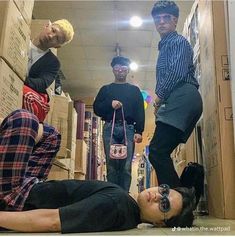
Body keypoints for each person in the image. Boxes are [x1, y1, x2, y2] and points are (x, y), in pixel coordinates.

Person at [0, 110, 195, 233]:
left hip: (16, 198)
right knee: (52, 137)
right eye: (164, 190)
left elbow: (52, 221)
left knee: (24, 120)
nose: (157, 195)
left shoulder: (115, 205)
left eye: (164, 204)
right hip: (32, 186)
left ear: (161, 224)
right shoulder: (126, 207)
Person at [149, 1, 203, 188]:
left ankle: (177, 207)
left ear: (175, 21)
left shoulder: (178, 41)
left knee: (157, 151)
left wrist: (158, 99)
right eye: (158, 19)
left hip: (183, 97)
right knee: (159, 152)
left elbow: (176, 73)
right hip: (181, 98)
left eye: (166, 18)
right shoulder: (165, 46)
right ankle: (177, 203)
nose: (161, 22)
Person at [93, 56, 145, 192]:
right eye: (117, 68)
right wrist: (109, 104)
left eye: (123, 68)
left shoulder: (134, 91)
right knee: (111, 165)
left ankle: (124, 196)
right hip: (109, 127)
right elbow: (96, 108)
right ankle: (113, 194)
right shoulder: (106, 89)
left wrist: (139, 131)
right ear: (113, 70)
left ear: (128, 71)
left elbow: (140, 111)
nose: (120, 70)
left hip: (128, 128)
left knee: (126, 165)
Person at [23, 19, 74, 122]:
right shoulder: (22, 39)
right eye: (53, 30)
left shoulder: (53, 62)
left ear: (57, 46)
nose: (51, 36)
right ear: (47, 26)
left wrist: (19, 78)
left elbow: (42, 83)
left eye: (57, 38)